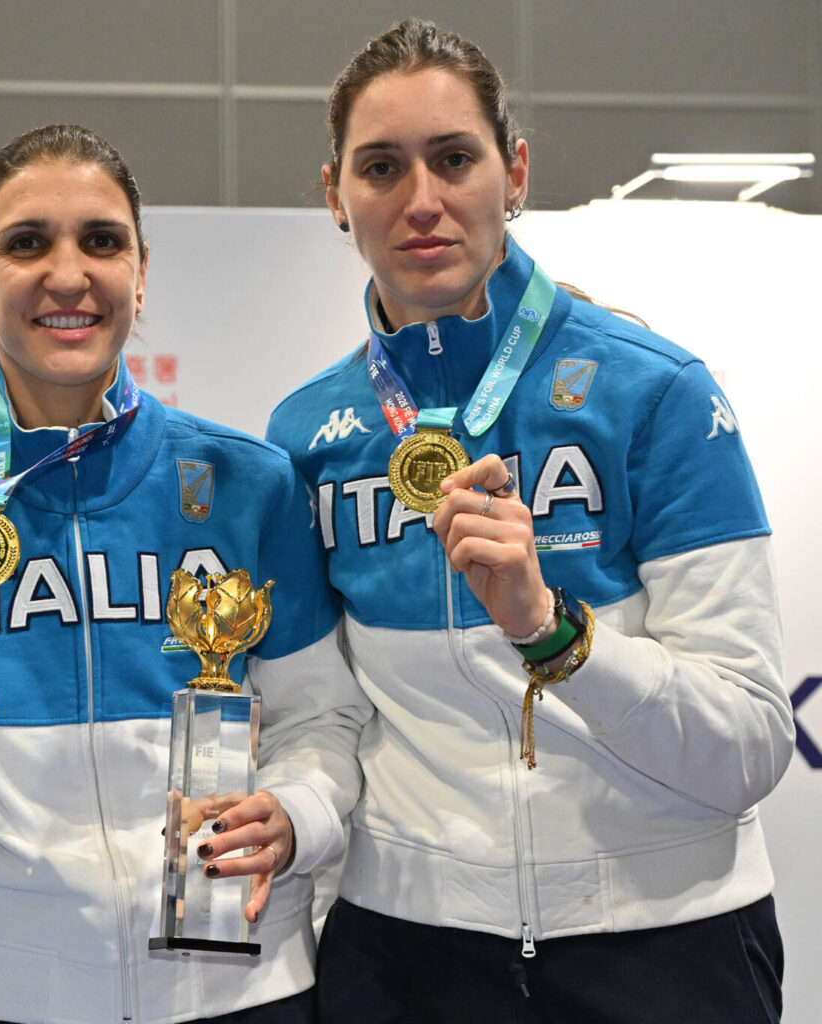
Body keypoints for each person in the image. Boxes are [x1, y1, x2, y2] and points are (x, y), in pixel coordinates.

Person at [266, 19, 792, 1022]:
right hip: (404, 953)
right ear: (337, 195)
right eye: (382, 167)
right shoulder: (305, 437)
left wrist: (553, 632)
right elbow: (322, 719)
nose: (421, 200)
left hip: (665, 943)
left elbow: (751, 746)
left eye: (453, 159)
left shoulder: (655, 394)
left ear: (512, 172)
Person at [0, 124, 369, 1024]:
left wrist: (296, 809)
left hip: (241, 988)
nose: (67, 275)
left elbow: (321, 718)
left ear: (141, 271)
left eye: (101, 241)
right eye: (27, 242)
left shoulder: (249, 485)